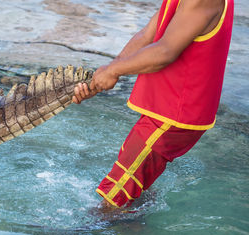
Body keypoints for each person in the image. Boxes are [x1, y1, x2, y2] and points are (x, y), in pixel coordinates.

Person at [73, 0, 234, 209]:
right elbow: (147, 34)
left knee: (114, 196)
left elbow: (165, 51)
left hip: (176, 114)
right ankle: (136, 231)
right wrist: (102, 76)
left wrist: (114, 72)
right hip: (164, 110)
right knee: (133, 186)